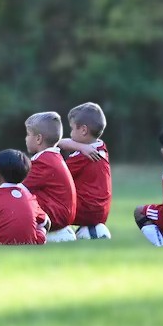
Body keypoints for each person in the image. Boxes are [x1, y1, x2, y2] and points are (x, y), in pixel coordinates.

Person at [57, 101, 112, 240]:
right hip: (101, 213)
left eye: (72, 129)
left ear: (83, 130)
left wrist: (76, 147)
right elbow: (64, 143)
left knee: (46, 197)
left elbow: (58, 174)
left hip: (86, 211)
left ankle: (53, 229)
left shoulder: (83, 156)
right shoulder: (101, 148)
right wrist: (79, 146)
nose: (70, 133)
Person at [22, 110, 78, 243]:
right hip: (62, 217)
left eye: (28, 134)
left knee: (14, 198)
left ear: (38, 139)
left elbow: (18, 188)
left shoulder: (44, 162)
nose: (26, 138)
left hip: (55, 218)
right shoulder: (53, 157)